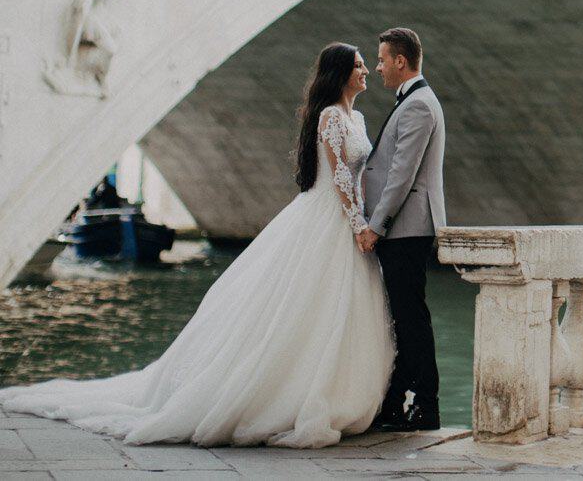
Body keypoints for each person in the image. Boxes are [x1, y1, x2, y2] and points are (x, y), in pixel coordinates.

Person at [0, 43, 394, 448]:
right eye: (360, 65)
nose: (366, 71)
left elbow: (358, 175)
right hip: (330, 217)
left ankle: (334, 389)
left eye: (367, 64)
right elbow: (340, 178)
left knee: (330, 305)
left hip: (341, 219)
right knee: (305, 304)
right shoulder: (330, 116)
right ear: (340, 73)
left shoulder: (357, 118)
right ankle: (293, 393)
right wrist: (359, 224)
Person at [357, 27, 446, 432]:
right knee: (406, 317)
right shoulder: (415, 101)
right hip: (405, 228)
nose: (377, 67)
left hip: (406, 229)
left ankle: (426, 406)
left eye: (381, 59)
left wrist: (376, 225)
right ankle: (397, 402)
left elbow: (401, 175)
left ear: (400, 61)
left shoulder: (418, 106)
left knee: (411, 319)